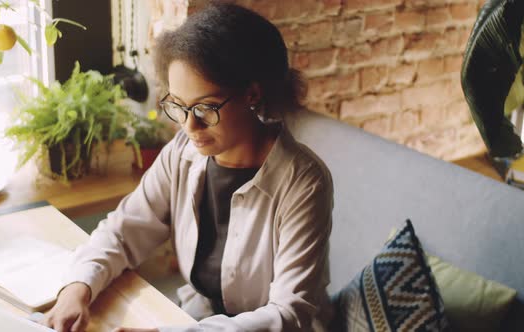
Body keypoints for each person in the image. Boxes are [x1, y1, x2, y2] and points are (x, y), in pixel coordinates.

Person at [42, 3, 334, 332]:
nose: (189, 126)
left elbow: (289, 313)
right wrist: (77, 288)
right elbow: (123, 233)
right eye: (178, 106)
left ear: (252, 94)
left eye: (206, 108)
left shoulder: (303, 182)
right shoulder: (182, 154)